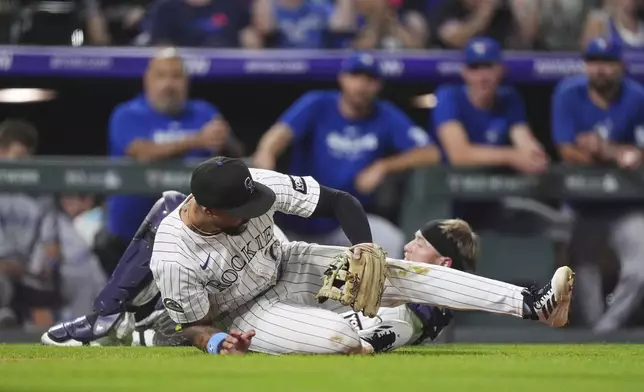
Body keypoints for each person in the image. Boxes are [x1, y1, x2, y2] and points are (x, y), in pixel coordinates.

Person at [41, 159, 573, 354]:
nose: (256, 207)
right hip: (245, 312)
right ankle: (134, 332)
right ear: (204, 208)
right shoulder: (174, 255)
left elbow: (340, 201)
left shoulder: (252, 183)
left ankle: (536, 303)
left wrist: (363, 246)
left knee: (403, 274)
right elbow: (197, 326)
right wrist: (220, 341)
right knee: (342, 340)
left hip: (290, 263)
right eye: (242, 208)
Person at [253, 52, 439, 258]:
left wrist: (383, 166)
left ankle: (379, 291)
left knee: (389, 240)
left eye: (369, 79)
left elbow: (430, 153)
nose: (361, 85)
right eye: (355, 76)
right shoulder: (318, 103)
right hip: (294, 215)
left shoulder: (384, 113)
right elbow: (275, 138)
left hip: (344, 221)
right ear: (342, 78)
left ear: (379, 85)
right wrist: (266, 161)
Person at [100, 47, 242, 275]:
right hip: (132, 236)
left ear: (186, 81)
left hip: (191, 237)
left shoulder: (204, 112)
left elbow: (236, 154)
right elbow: (143, 152)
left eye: (176, 76)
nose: (169, 84)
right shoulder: (127, 114)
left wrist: (224, 140)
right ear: (148, 80)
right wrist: (197, 140)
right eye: (161, 76)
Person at [551, 37, 644, 334]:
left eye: (607, 63)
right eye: (594, 63)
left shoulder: (637, 96)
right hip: (582, 204)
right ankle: (591, 332)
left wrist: (605, 150)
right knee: (581, 272)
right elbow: (566, 150)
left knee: (640, 269)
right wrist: (619, 154)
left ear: (621, 66)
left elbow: (639, 154)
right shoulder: (568, 93)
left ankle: (607, 330)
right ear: (585, 65)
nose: (600, 69)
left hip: (625, 206)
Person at [431, 36, 548, 230]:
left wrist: (535, 155)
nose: (482, 76)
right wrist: (512, 156)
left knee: (542, 226)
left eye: (488, 67)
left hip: (491, 199)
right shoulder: (449, 96)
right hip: (447, 200)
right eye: (475, 68)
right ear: (465, 72)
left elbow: (524, 141)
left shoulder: (509, 98)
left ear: (501, 70)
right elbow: (459, 154)